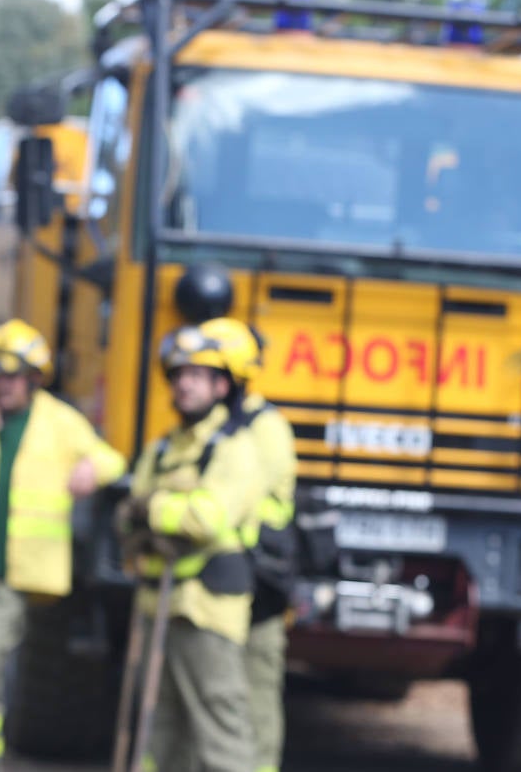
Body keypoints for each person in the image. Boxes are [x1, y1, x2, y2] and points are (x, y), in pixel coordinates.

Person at [0, 318, 126, 766]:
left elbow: (112, 459)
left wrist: (92, 469)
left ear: (34, 378)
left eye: (13, 375)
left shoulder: (59, 422)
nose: (3, 384)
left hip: (21, 569)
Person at [116, 318, 267, 772]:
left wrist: (153, 509)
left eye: (197, 375)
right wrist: (144, 517)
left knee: (219, 731)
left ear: (222, 385)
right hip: (156, 605)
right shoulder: (162, 449)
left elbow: (208, 518)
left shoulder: (234, 448)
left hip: (206, 610)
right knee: (159, 731)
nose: (184, 384)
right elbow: (128, 512)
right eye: (179, 374)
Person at [219, 320, 297, 772]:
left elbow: (232, 503)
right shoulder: (214, 427)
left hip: (259, 581)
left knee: (255, 694)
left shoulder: (263, 428)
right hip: (223, 579)